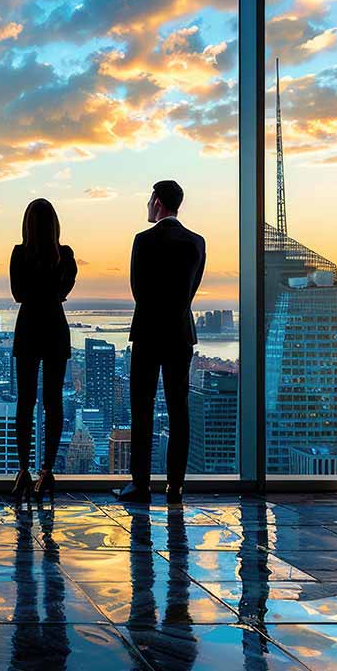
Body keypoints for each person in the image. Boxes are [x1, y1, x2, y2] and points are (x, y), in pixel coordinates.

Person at [116, 180, 205, 505]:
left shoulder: (143, 240)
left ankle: (140, 485)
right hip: (180, 333)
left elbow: (138, 290)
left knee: (142, 408)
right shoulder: (196, 242)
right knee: (178, 410)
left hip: (148, 333)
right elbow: (192, 288)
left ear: (157, 202)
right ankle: (175, 488)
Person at [8, 198, 77, 502]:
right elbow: (64, 292)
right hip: (55, 328)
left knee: (25, 401)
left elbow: (17, 293)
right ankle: (47, 471)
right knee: (53, 402)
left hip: (28, 328)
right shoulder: (66, 256)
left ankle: (23, 470)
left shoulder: (19, 254)